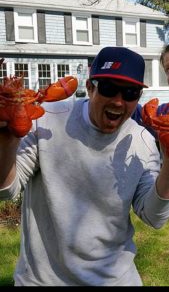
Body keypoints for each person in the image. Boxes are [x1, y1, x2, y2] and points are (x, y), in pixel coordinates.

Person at [1, 46, 169, 287]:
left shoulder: (142, 140)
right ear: (90, 87)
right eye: (109, 89)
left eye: (130, 92)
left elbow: (154, 218)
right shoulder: (45, 118)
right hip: (42, 280)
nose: (119, 102)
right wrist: (8, 141)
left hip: (115, 280)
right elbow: (6, 191)